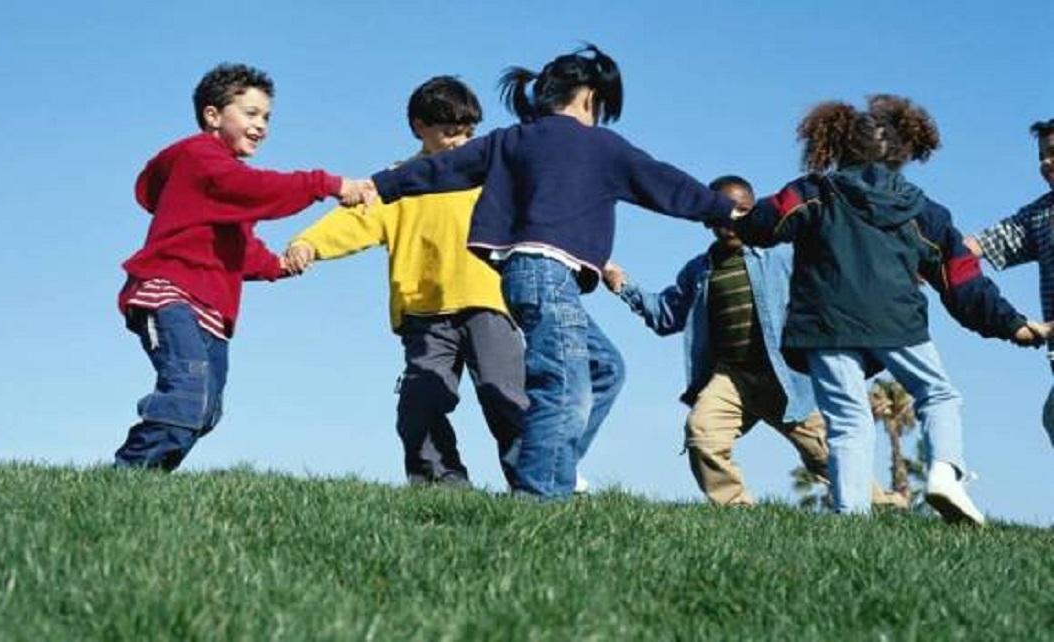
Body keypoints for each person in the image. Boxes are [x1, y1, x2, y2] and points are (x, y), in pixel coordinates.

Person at [369, 45, 738, 499]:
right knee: (562, 387)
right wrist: (728, 211)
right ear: (589, 97)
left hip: (526, 277)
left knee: (605, 368)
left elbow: (443, 168)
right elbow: (665, 182)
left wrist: (379, 184)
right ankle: (539, 495)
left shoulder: (513, 139)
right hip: (545, 276)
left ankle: (549, 464)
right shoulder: (598, 145)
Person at [718, 95, 1048, 524]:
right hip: (898, 322)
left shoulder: (813, 193)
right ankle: (945, 473)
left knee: (848, 420)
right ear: (899, 152)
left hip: (827, 324)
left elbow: (766, 223)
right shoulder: (923, 211)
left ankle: (851, 519)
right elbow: (961, 278)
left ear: (836, 145)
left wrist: (737, 219)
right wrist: (1012, 324)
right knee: (938, 394)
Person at [114, 63, 374, 471]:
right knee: (187, 396)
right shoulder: (201, 157)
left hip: (213, 311)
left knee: (206, 411)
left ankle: (147, 482)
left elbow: (241, 248)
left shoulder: (225, 183)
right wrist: (328, 184)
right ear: (213, 115)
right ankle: (127, 475)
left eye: (266, 117)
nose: (261, 126)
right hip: (170, 292)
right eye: (251, 113)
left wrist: (281, 264)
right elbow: (254, 189)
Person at [604, 176, 905, 508]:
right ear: (707, 218)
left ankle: (884, 506)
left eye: (743, 211)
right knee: (702, 434)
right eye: (723, 213)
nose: (734, 221)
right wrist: (622, 286)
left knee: (824, 455)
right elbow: (666, 316)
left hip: (787, 377)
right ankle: (737, 509)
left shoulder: (782, 254)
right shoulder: (699, 270)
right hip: (732, 378)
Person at [284, 76, 526, 488]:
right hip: (425, 315)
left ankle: (537, 487)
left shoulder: (490, 176)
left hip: (488, 303)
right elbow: (354, 219)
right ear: (419, 127)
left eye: (467, 132)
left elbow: (539, 219)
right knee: (419, 407)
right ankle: (441, 490)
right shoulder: (402, 180)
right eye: (448, 131)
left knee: (506, 397)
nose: (460, 142)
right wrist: (309, 243)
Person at [965, 119, 1054, 448]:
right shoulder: (1041, 215)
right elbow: (981, 243)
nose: (1046, 162)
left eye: (1053, 152)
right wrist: (929, 261)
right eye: (1041, 156)